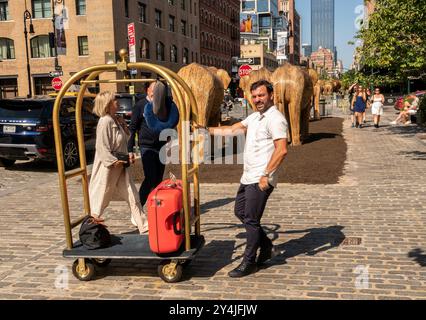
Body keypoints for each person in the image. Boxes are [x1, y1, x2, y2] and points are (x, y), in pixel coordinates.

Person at [196, 80, 288, 277]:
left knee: (251, 220)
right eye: (254, 96)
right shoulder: (255, 117)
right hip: (248, 176)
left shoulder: (276, 119)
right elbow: (232, 130)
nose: (257, 99)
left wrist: (266, 175)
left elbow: (282, 150)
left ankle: (249, 262)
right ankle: (267, 246)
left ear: (270, 95)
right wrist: (205, 129)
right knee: (240, 212)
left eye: (261, 95)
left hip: (260, 178)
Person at [89, 91, 148, 235]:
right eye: (115, 100)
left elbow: (124, 139)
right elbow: (102, 147)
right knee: (101, 199)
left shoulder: (115, 119)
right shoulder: (105, 121)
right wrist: (115, 161)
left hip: (120, 166)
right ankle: (90, 230)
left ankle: (145, 227)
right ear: (108, 104)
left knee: (133, 196)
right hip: (108, 168)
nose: (118, 102)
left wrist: (123, 125)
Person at [128, 81, 179, 212]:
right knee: (150, 178)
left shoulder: (164, 104)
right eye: (154, 88)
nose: (156, 91)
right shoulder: (140, 106)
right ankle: (137, 209)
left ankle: (155, 208)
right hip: (147, 146)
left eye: (159, 89)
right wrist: (130, 150)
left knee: (158, 179)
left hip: (161, 146)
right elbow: (132, 128)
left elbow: (169, 122)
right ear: (148, 90)